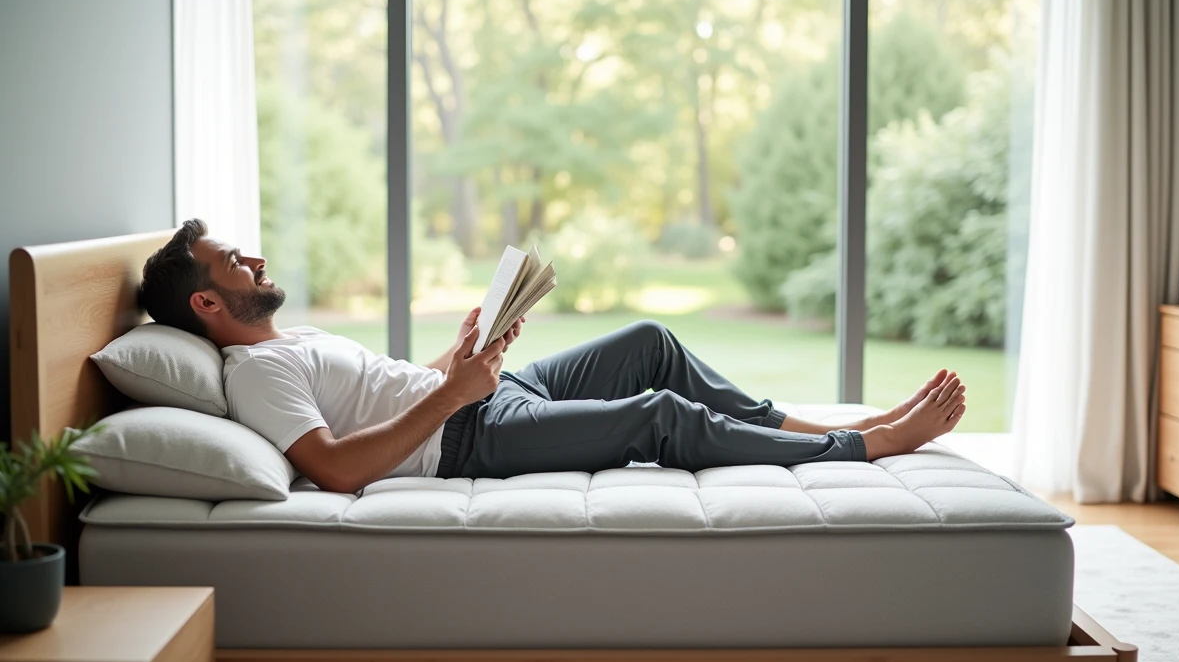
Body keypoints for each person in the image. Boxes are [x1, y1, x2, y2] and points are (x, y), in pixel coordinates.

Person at [138, 219, 966, 493]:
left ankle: (820, 426)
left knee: (650, 341)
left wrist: (457, 357)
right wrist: (457, 394)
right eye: (233, 265)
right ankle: (862, 446)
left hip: (474, 398)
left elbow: (381, 395)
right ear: (206, 305)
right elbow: (337, 469)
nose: (255, 263)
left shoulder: (293, 340)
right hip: (466, 437)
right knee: (660, 417)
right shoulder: (255, 373)